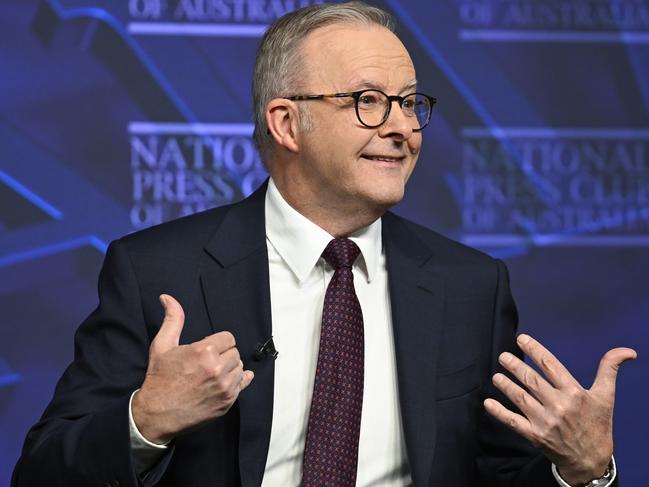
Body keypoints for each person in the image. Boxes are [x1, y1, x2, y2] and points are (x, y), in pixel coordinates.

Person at [12, 2, 636, 486]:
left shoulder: (470, 286)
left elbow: (499, 478)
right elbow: (41, 472)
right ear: (287, 123)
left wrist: (581, 470)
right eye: (368, 102)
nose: (401, 128)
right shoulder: (157, 271)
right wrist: (146, 421)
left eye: (411, 104)